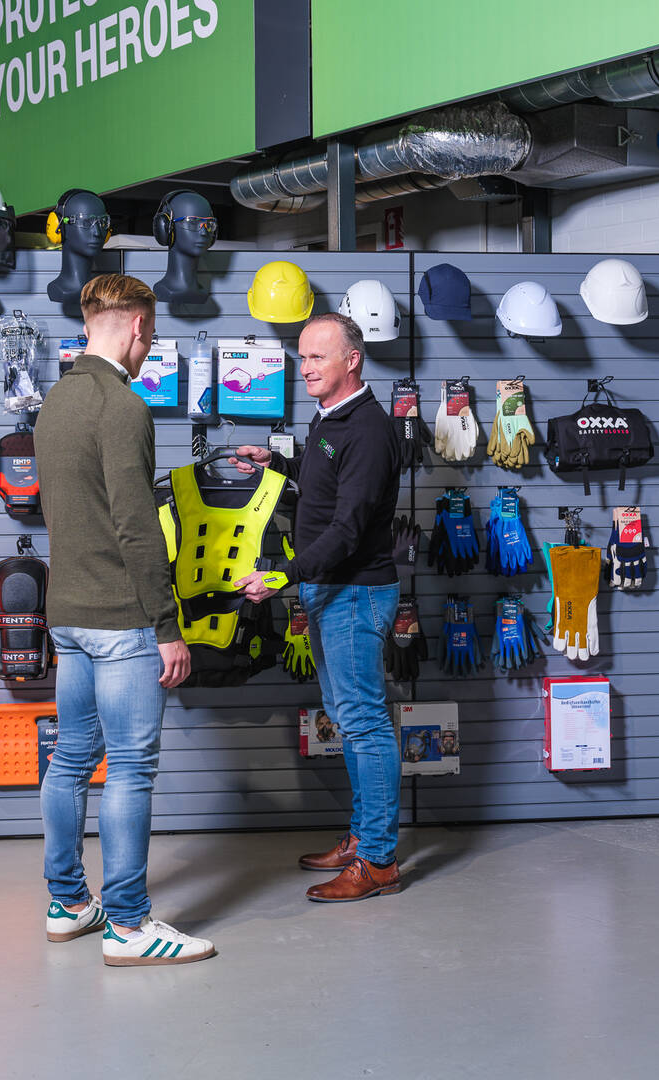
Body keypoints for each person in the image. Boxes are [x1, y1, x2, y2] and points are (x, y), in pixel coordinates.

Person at [34, 273, 215, 966]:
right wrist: (166, 625)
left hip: (69, 615)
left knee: (71, 761)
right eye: (154, 335)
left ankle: (67, 904)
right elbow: (139, 529)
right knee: (132, 768)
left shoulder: (57, 399)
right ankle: (130, 926)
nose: (151, 347)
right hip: (121, 620)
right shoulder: (124, 407)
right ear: (138, 327)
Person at [232, 312, 403, 903]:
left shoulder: (371, 430)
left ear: (350, 361)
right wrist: (279, 464)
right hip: (330, 592)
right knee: (348, 718)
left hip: (355, 591)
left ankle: (379, 860)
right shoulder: (332, 419)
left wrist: (286, 575)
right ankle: (363, 839)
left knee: (364, 723)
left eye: (315, 358)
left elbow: (350, 527)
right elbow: (325, 482)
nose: (303, 368)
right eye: (301, 357)